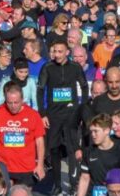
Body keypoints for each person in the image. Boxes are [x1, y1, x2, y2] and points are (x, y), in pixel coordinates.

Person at [36, 39, 87, 194]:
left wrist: (82, 110)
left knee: (72, 149)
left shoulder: (75, 67)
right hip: (54, 115)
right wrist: (42, 114)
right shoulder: (48, 67)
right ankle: (57, 184)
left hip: (71, 114)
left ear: (67, 52)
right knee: (54, 150)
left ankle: (73, 184)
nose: (57, 55)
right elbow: (40, 90)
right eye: (54, 51)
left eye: (60, 51)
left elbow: (84, 87)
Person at [0, 81, 46, 184]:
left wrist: (40, 164)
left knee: (23, 191)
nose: (13, 106)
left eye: (16, 102)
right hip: (4, 167)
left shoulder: (33, 115)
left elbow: (40, 142)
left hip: (26, 168)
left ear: (22, 100)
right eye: (9, 103)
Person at [77, 114, 120, 196]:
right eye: (91, 131)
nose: (93, 135)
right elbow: (84, 178)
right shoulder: (88, 151)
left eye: (96, 131)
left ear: (107, 130)